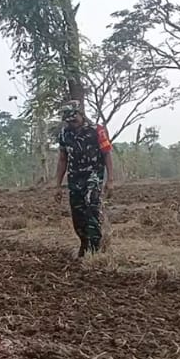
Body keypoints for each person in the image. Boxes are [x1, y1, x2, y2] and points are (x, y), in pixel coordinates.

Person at [54, 105, 114, 257]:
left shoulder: (97, 130)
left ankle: (95, 249)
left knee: (91, 207)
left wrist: (110, 180)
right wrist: (57, 185)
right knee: (77, 212)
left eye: (74, 119)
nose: (72, 123)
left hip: (93, 175)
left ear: (81, 115)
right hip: (74, 177)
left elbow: (107, 154)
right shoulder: (64, 133)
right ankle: (84, 243)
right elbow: (62, 159)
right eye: (68, 121)